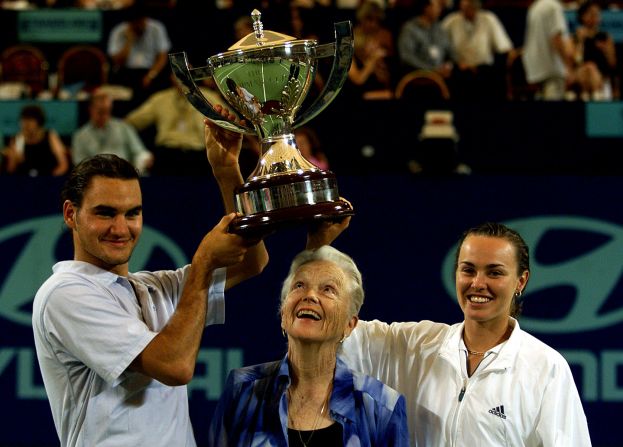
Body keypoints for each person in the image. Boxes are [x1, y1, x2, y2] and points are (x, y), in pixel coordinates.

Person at [32, 110, 269, 446]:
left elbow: (253, 261)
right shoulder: (64, 293)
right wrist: (202, 264)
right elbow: (174, 366)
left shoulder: (154, 287)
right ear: (71, 214)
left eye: (133, 213)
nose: (121, 228)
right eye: (105, 213)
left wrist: (227, 171)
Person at [308, 220, 592, 445]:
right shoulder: (414, 346)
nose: (478, 283)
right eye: (468, 270)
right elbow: (329, 328)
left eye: (494, 273)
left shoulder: (546, 368)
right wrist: (318, 246)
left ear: (521, 280)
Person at [207, 245, 410, 446]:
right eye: (299, 286)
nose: (310, 295)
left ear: (349, 325)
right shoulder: (243, 390)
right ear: (283, 316)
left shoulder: (380, 407)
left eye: (328, 289)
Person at [125, 75, 225, 176]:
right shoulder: (160, 99)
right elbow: (130, 122)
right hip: (166, 156)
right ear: (171, 77)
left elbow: (230, 122)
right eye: (177, 73)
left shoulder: (209, 98)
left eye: (185, 72)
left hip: (198, 157)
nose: (181, 78)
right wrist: (142, 152)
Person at [441, 0, 514, 101]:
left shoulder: (489, 19)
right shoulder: (451, 21)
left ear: (476, 7)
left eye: (470, 6)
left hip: (484, 72)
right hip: (459, 72)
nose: (466, 9)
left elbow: (505, 48)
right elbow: (440, 48)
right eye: (464, 6)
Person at [71, 90, 154, 174]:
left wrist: (144, 159)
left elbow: (139, 152)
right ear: (91, 109)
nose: (105, 116)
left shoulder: (123, 127)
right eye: (101, 112)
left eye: (108, 111)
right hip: (96, 178)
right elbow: (79, 165)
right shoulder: (80, 135)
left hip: (124, 177)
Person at [107, 1, 172, 102]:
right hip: (127, 72)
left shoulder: (156, 28)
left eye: (141, 22)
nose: (139, 26)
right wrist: (129, 41)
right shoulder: (119, 31)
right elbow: (118, 62)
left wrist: (151, 75)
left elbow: (162, 57)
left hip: (151, 71)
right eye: (135, 23)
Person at [522, 0, 575, 100]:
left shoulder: (535, 7)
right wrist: (568, 66)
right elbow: (556, 38)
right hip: (552, 70)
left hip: (536, 69)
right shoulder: (554, 7)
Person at [346, 0, 396, 101]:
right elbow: (358, 80)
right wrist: (373, 59)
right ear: (361, 18)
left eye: (377, 21)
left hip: (378, 91)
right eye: (369, 19)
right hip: (356, 95)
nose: (373, 24)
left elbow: (386, 79)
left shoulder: (383, 37)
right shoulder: (349, 41)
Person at [3, 104, 69, 176]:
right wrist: (14, 158)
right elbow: (11, 169)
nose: (26, 124)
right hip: (24, 181)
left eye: (30, 120)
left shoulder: (50, 136)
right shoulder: (17, 139)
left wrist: (52, 178)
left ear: (39, 122)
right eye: (24, 120)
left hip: (48, 179)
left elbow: (63, 165)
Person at [397, 0, 455, 81]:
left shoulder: (439, 28)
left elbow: (450, 52)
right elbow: (407, 57)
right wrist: (431, 70)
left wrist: (448, 66)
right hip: (418, 77)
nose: (440, 10)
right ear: (427, 8)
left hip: (442, 77)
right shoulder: (410, 29)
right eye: (437, 6)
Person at [571, 0, 617, 101]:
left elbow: (612, 64)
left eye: (596, 14)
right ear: (582, 16)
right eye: (590, 13)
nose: (594, 16)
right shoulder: (576, 36)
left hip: (600, 76)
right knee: (588, 68)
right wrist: (580, 43)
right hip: (581, 75)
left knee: (591, 68)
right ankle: (589, 97)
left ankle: (594, 97)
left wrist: (605, 50)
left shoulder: (605, 37)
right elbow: (576, 61)